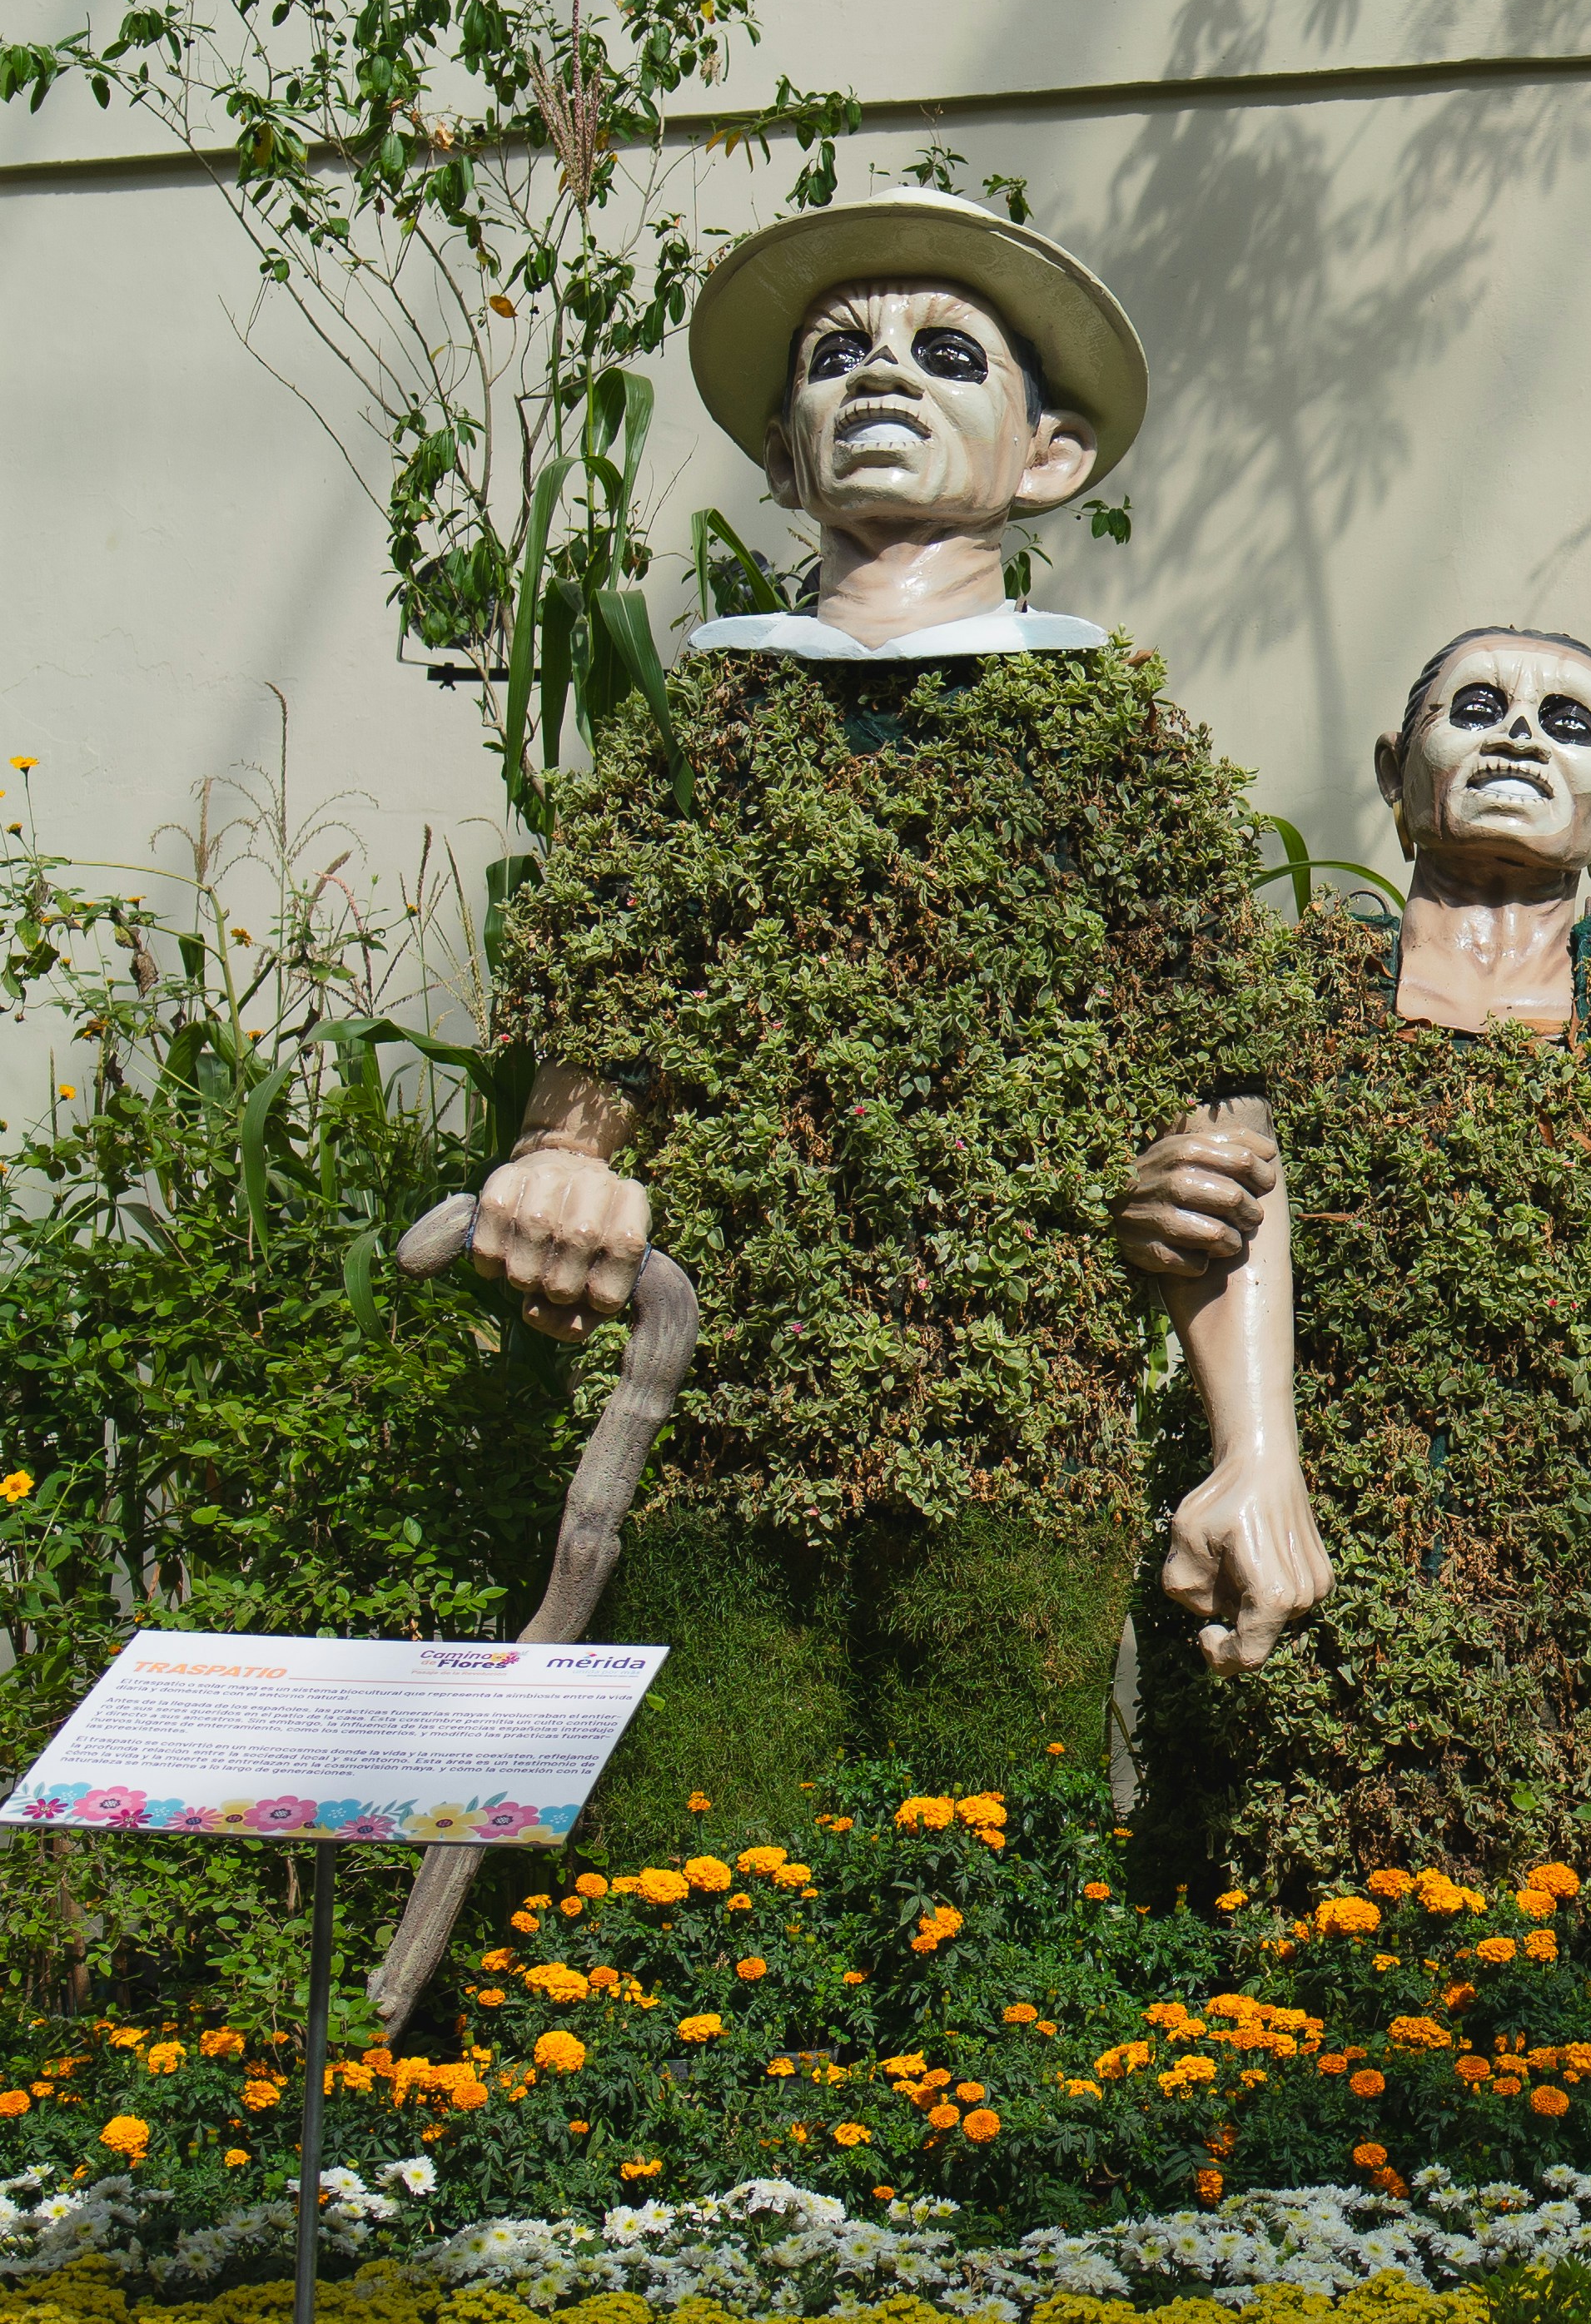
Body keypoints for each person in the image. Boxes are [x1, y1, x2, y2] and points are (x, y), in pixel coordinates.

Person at [473, 188, 1322, 1835]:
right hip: (726, 1428)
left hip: (1017, 1429)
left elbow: (1222, 1120)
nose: (883, 379)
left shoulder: (1121, 760)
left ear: (1049, 455)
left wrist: (1256, 1448)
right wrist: (565, 1153)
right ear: (786, 461)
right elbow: (608, 1016)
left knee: (989, 1875)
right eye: (836, 356)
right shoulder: (699, 742)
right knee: (694, 1872)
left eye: (944, 353)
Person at [1111, 623, 1591, 1894]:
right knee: (1267, 1920)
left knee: (1547, 1968)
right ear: (1395, 769)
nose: (1521, 733)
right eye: (1478, 706)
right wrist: (1153, 1209)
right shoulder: (1272, 991)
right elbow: (1194, 1224)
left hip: (1580, 1609)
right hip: (1304, 1566)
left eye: (1567, 721)